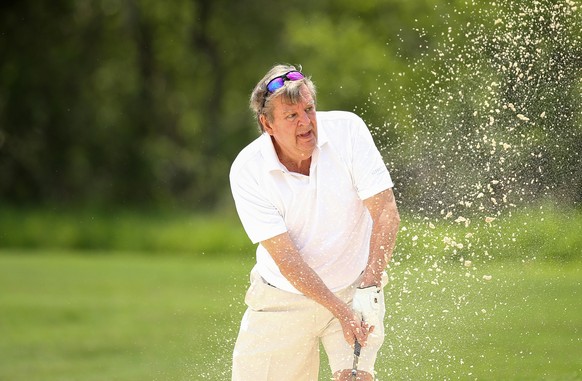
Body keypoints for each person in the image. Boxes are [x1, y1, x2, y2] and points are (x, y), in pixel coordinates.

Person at [229, 64, 400, 381]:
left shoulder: (348, 131)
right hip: (281, 299)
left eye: (309, 109)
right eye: (291, 116)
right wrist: (337, 308)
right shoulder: (247, 170)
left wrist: (371, 285)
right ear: (267, 123)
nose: (306, 123)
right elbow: (287, 260)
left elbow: (386, 209)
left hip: (354, 288)